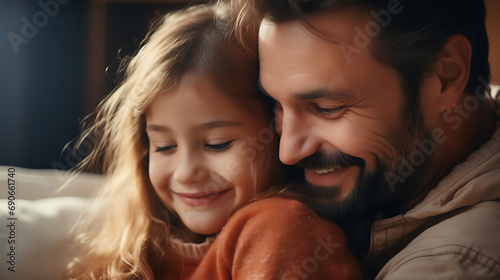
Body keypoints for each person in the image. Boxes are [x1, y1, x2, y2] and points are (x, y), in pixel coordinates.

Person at [63, 2, 362, 279]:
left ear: (277, 131)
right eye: (165, 146)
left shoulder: (279, 227)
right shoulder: (139, 249)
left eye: (218, 144)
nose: (186, 173)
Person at [238, 0, 500, 278]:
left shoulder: (446, 266)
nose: (287, 152)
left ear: (447, 75)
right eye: (276, 105)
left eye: (327, 108)